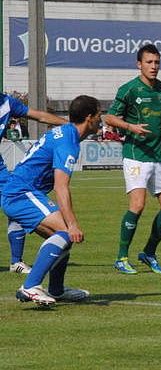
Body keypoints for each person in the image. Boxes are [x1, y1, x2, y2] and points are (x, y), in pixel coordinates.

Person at [2, 95, 101, 306]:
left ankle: (56, 290)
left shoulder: (66, 132)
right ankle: (29, 286)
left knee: (62, 237)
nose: (102, 120)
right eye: (99, 115)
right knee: (66, 232)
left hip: (21, 191)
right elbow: (61, 186)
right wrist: (73, 224)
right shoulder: (68, 142)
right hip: (21, 192)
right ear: (89, 117)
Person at [105, 43, 161, 275]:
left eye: (157, 62)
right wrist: (130, 127)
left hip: (158, 155)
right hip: (136, 155)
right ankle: (121, 257)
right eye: (149, 62)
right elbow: (109, 117)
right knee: (137, 206)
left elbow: (157, 121)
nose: (154, 66)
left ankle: (148, 252)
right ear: (139, 64)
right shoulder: (129, 89)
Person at [1, 94, 68, 275]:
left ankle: (16, 262)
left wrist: (69, 126)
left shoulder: (7, 102)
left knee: (15, 199)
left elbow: (40, 116)